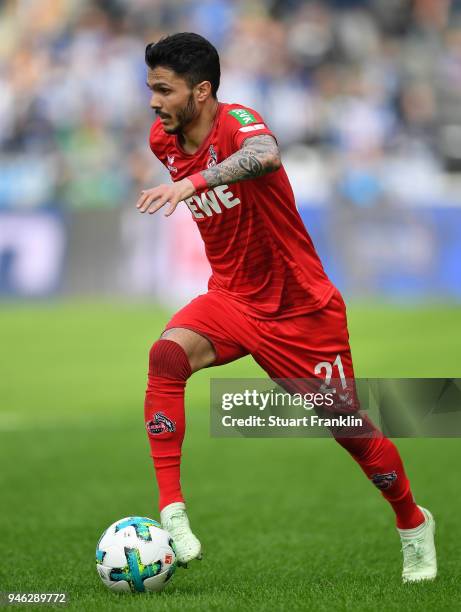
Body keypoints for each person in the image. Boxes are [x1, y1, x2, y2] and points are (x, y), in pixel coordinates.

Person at [136, 32, 436, 583]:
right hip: (230, 296)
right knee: (166, 357)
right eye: (151, 88)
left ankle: (413, 523)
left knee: (351, 430)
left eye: (164, 90)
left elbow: (264, 154)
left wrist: (195, 182)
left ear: (201, 92)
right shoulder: (163, 138)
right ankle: (172, 512)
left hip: (300, 309)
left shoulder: (237, 122)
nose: (153, 102)